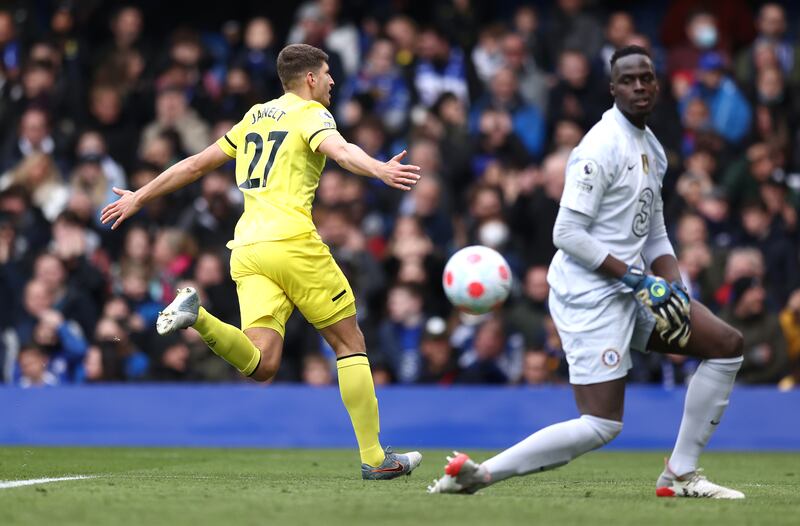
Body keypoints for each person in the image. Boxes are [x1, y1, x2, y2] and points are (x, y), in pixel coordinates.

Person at [429, 45, 745, 499]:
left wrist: (675, 281)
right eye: (628, 80)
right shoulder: (599, 146)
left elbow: (652, 229)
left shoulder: (652, 148)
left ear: (657, 84)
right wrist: (638, 280)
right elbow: (567, 232)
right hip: (590, 293)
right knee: (601, 423)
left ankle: (680, 473)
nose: (639, 87)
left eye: (646, 78)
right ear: (613, 88)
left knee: (726, 346)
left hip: (636, 289)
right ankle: (479, 474)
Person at [101, 43, 422, 480]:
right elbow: (341, 151)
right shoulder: (312, 114)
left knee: (262, 363)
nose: (332, 81)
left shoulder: (255, 115)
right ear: (309, 78)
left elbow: (196, 165)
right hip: (292, 243)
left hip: (247, 249)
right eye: (327, 73)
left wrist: (140, 195)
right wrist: (380, 169)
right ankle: (375, 458)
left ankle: (197, 317)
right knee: (350, 344)